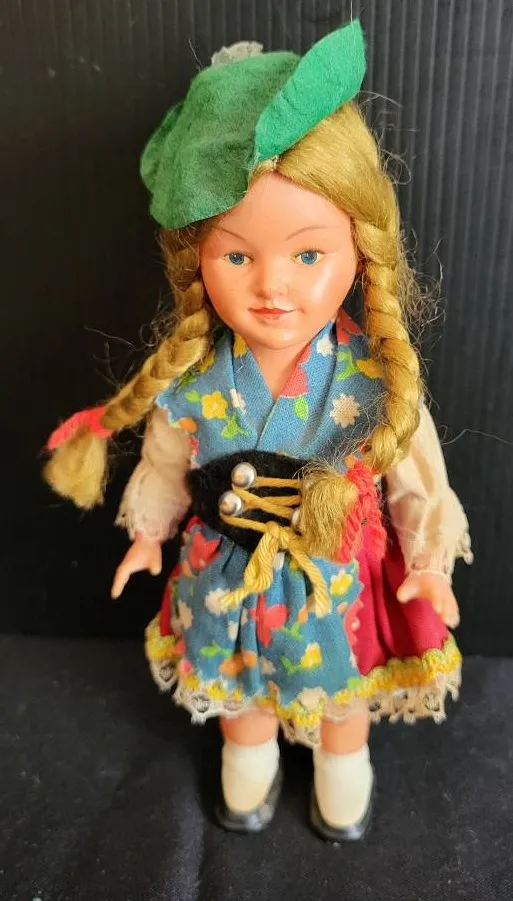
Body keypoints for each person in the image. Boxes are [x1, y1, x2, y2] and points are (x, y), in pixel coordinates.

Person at [45, 21, 472, 841]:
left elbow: (416, 480)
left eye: (308, 255)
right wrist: (148, 534)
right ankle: (249, 756)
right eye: (236, 256)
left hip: (330, 580)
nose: (273, 286)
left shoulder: (372, 379)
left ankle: (343, 763)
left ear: (359, 252)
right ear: (196, 260)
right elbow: (167, 461)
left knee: (343, 694)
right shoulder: (196, 375)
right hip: (223, 572)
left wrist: (426, 562)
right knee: (238, 687)